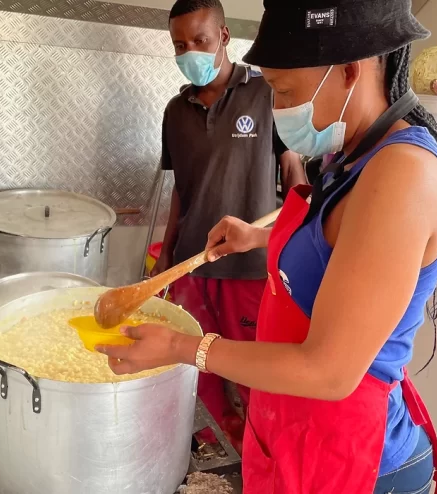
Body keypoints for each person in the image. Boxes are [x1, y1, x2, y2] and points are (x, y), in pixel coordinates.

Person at [98, 1, 437, 493]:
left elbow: (329, 371)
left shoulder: (402, 174)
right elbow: (339, 254)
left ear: (349, 71)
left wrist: (182, 348)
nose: (277, 107)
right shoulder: (352, 155)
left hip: (358, 461)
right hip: (299, 437)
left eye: (285, 91)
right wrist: (261, 239)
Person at [154, 0, 304, 451]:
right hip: (192, 268)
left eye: (200, 40)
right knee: (197, 367)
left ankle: (266, 448)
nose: (190, 52)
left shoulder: (265, 93)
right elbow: (181, 191)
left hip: (250, 266)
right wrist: (165, 259)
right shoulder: (174, 112)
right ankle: (219, 443)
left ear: (223, 37)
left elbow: (294, 171)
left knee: (253, 367)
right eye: (180, 45)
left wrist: (294, 234)